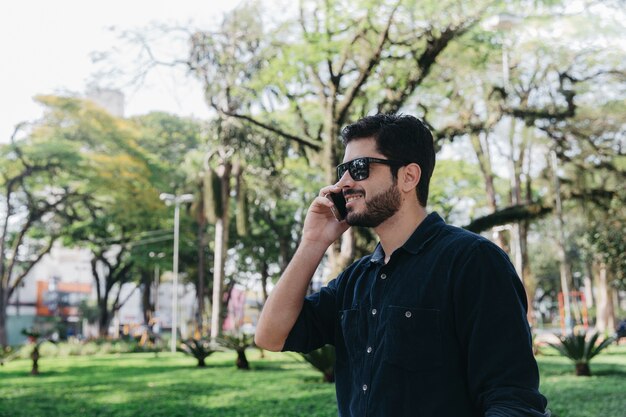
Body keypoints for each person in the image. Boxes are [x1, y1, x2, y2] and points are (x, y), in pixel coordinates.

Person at [255, 113, 550, 417]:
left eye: (359, 168)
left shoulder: (472, 261)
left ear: (409, 176)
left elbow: (513, 400)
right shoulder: (355, 280)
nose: (342, 183)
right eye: (342, 170)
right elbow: (270, 336)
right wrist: (312, 242)